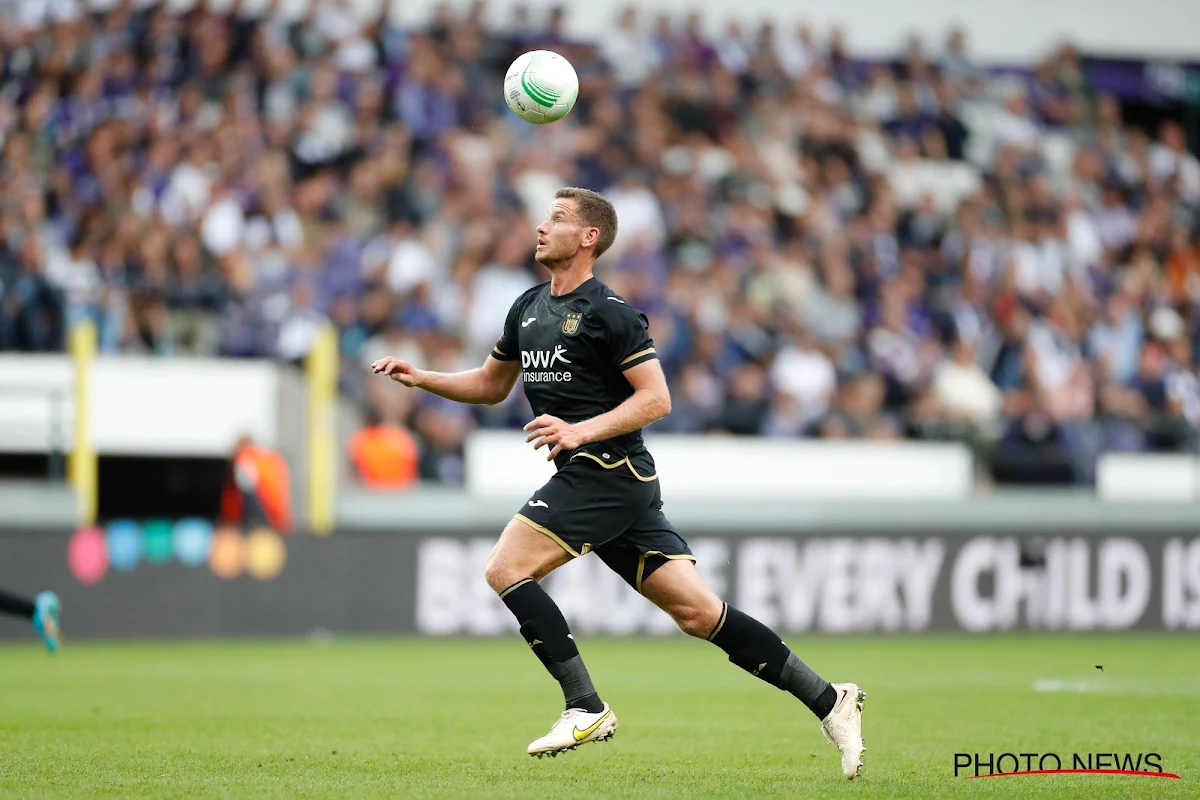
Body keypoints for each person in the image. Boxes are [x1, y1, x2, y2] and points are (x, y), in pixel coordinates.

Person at [371, 188, 866, 779]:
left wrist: (580, 431)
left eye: (557, 218)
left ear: (588, 238)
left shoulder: (610, 312)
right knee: (700, 614)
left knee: (506, 568)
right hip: (610, 481)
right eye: (544, 216)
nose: (540, 226)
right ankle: (829, 699)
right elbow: (489, 383)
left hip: (607, 473)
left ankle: (584, 705)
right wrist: (420, 376)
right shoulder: (527, 306)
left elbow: (656, 398)